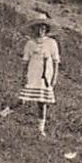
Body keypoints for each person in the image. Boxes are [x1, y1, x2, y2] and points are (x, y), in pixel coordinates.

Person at [16, 9, 60, 137]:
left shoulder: (52, 43)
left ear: (46, 29)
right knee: (22, 99)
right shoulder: (30, 43)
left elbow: (56, 62)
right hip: (32, 74)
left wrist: (54, 77)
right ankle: (3, 114)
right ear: (34, 29)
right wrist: (23, 75)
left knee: (42, 102)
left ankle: (40, 128)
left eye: (43, 28)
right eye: (38, 28)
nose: (40, 31)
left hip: (45, 75)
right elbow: (25, 61)